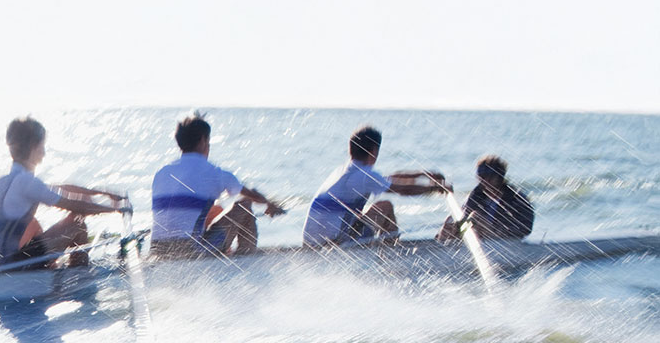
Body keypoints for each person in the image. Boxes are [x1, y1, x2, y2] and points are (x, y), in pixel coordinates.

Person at [0, 117, 123, 270]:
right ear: (34, 147)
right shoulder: (26, 182)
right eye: (42, 146)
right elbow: (75, 205)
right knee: (77, 223)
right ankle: (79, 277)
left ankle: (48, 266)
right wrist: (116, 209)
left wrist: (100, 193)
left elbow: (57, 189)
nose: (44, 152)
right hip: (0, 266)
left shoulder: (4, 177)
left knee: (33, 223)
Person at [149, 112, 285, 258]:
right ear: (202, 140)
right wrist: (270, 205)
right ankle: (246, 262)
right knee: (244, 205)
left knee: (212, 211)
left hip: (157, 252)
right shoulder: (215, 173)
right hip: (191, 252)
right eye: (208, 141)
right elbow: (254, 197)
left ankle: (230, 255)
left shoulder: (162, 173)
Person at [302, 125, 449, 247]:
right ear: (373, 151)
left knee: (372, 210)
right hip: (331, 244)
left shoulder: (347, 170)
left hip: (312, 243)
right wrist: (434, 189)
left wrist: (422, 175)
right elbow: (403, 189)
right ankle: (392, 256)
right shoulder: (364, 175)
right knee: (385, 207)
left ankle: (384, 250)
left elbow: (390, 179)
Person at [436, 155, 534, 242]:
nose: (485, 181)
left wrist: (494, 230)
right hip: (482, 239)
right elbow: (464, 217)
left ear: (500, 176)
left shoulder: (516, 198)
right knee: (450, 220)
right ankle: (440, 248)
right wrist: (454, 228)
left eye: (490, 177)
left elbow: (525, 228)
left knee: (476, 216)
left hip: (506, 241)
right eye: (481, 177)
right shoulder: (476, 195)